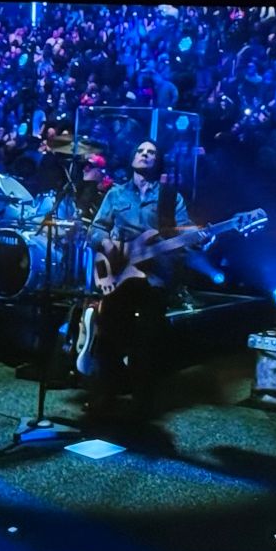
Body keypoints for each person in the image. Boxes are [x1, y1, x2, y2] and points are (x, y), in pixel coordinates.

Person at [79, 140, 195, 418]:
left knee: (146, 341)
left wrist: (193, 240)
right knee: (107, 336)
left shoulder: (170, 198)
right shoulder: (116, 195)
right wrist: (108, 247)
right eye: (141, 151)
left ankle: (142, 404)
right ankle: (106, 396)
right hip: (118, 275)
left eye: (151, 152)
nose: (145, 155)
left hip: (153, 278)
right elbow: (95, 229)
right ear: (133, 157)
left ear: (158, 161)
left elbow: (184, 235)